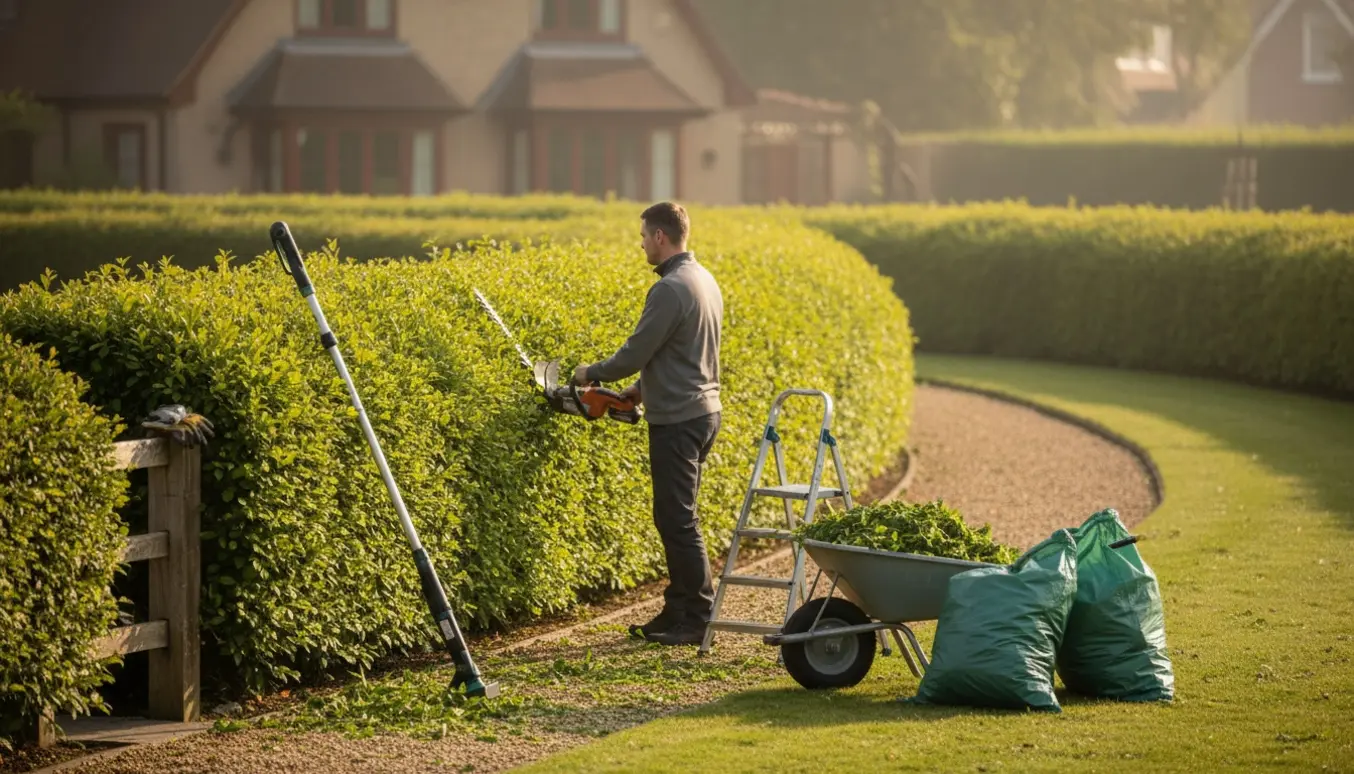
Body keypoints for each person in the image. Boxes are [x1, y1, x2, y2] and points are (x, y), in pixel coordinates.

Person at [572, 201, 723, 646]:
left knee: (678, 520)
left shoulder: (670, 288)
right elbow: (680, 351)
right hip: (702, 409)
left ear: (661, 236)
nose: (640, 243)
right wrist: (640, 390)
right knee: (675, 517)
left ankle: (696, 616)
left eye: (643, 236)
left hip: (679, 418)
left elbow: (635, 352)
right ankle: (676, 610)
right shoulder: (703, 279)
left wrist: (588, 373)